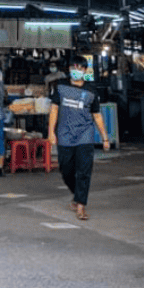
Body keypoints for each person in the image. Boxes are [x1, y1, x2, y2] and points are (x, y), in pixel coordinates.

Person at [48, 56, 110, 220]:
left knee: (84, 172)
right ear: (69, 69)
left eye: (80, 68)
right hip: (64, 135)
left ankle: (81, 206)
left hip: (85, 136)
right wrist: (50, 132)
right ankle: (77, 196)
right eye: (74, 68)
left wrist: (105, 138)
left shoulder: (91, 91)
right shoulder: (60, 87)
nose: (77, 71)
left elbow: (97, 116)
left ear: (85, 70)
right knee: (66, 170)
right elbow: (54, 110)